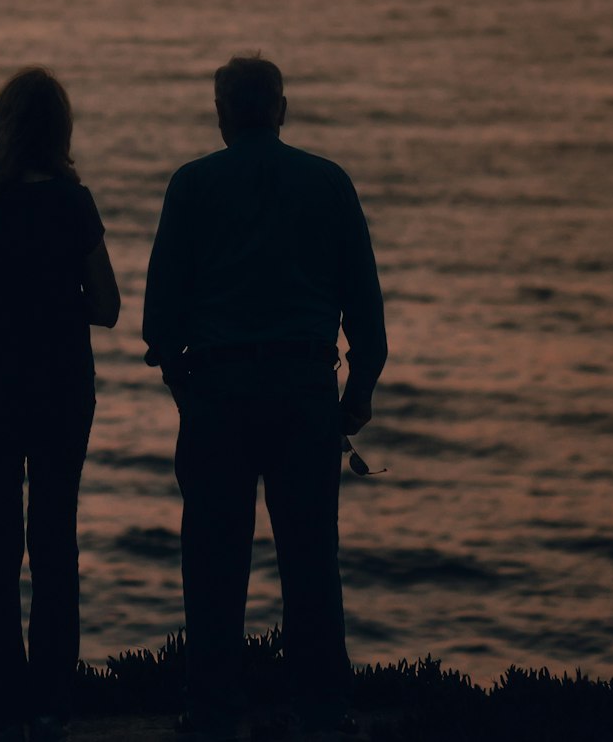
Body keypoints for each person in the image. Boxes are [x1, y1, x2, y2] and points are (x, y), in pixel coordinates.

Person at [142, 56, 387, 742]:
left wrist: (184, 386)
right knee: (311, 560)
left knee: (214, 560)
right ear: (282, 109)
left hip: (218, 389)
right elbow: (366, 316)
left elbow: (159, 323)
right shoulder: (329, 183)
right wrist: (355, 395)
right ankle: (321, 712)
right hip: (304, 388)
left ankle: (214, 712)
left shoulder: (191, 185)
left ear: (221, 113)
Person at [0, 67, 120, 742]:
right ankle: (52, 699)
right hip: (61, 390)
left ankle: (0, 696)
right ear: (59, 131)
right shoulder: (73, 204)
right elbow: (109, 306)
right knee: (55, 541)